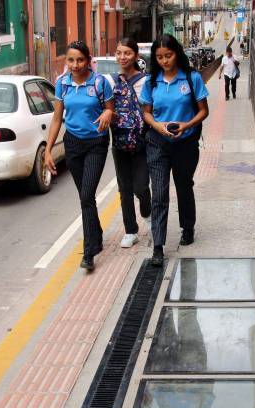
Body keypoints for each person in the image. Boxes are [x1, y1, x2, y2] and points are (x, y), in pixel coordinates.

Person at [139, 34, 209, 267]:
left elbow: (203, 111)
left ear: (176, 53)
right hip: (157, 143)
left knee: (183, 185)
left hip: (185, 143)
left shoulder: (191, 78)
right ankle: (158, 246)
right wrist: (157, 126)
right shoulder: (151, 82)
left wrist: (186, 125)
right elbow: (146, 112)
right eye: (159, 57)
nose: (164, 61)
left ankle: (187, 227)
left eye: (168, 56)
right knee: (158, 193)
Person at [44, 41, 114, 271]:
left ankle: (89, 251)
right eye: (70, 60)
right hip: (72, 144)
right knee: (86, 198)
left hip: (96, 143)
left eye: (80, 60)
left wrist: (107, 112)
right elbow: (56, 119)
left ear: (88, 60)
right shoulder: (62, 84)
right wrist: (48, 150)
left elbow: (110, 108)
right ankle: (97, 234)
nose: (75, 65)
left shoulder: (100, 82)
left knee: (86, 195)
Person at [106, 37, 152, 249]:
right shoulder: (110, 81)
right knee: (124, 189)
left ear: (135, 56)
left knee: (141, 187)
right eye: (119, 53)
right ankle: (130, 230)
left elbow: (152, 110)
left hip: (142, 142)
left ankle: (147, 211)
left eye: (127, 53)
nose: (122, 57)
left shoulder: (146, 81)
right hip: (119, 142)